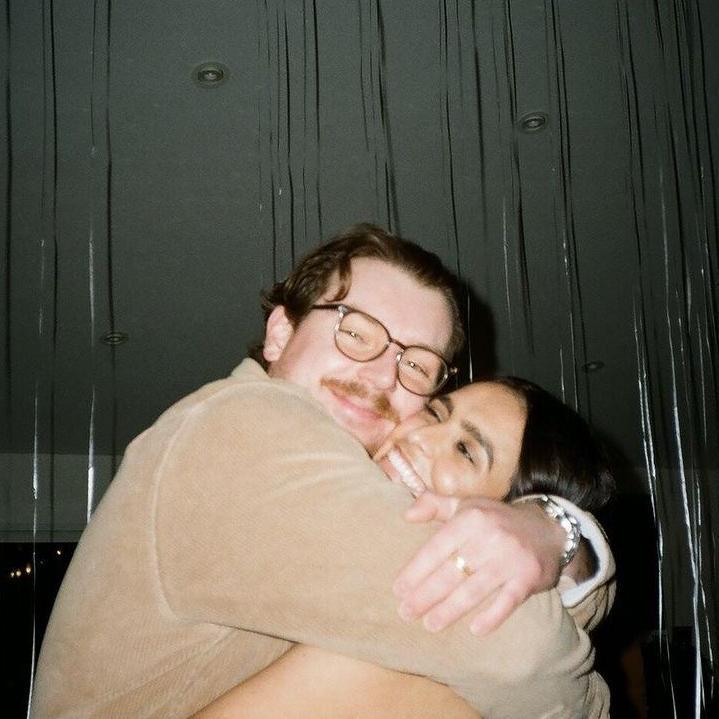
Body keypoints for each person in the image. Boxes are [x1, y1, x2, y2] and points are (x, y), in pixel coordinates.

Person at [31, 224, 613, 719]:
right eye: (354, 330)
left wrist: (555, 532)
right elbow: (519, 652)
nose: (381, 376)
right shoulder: (242, 424)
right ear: (280, 333)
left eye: (417, 366)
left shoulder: (345, 510)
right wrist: (558, 537)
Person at [190, 376, 616, 718]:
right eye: (435, 412)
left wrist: (558, 533)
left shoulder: (454, 636)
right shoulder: (305, 490)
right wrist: (559, 525)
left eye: (465, 451)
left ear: (505, 523)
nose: (422, 436)